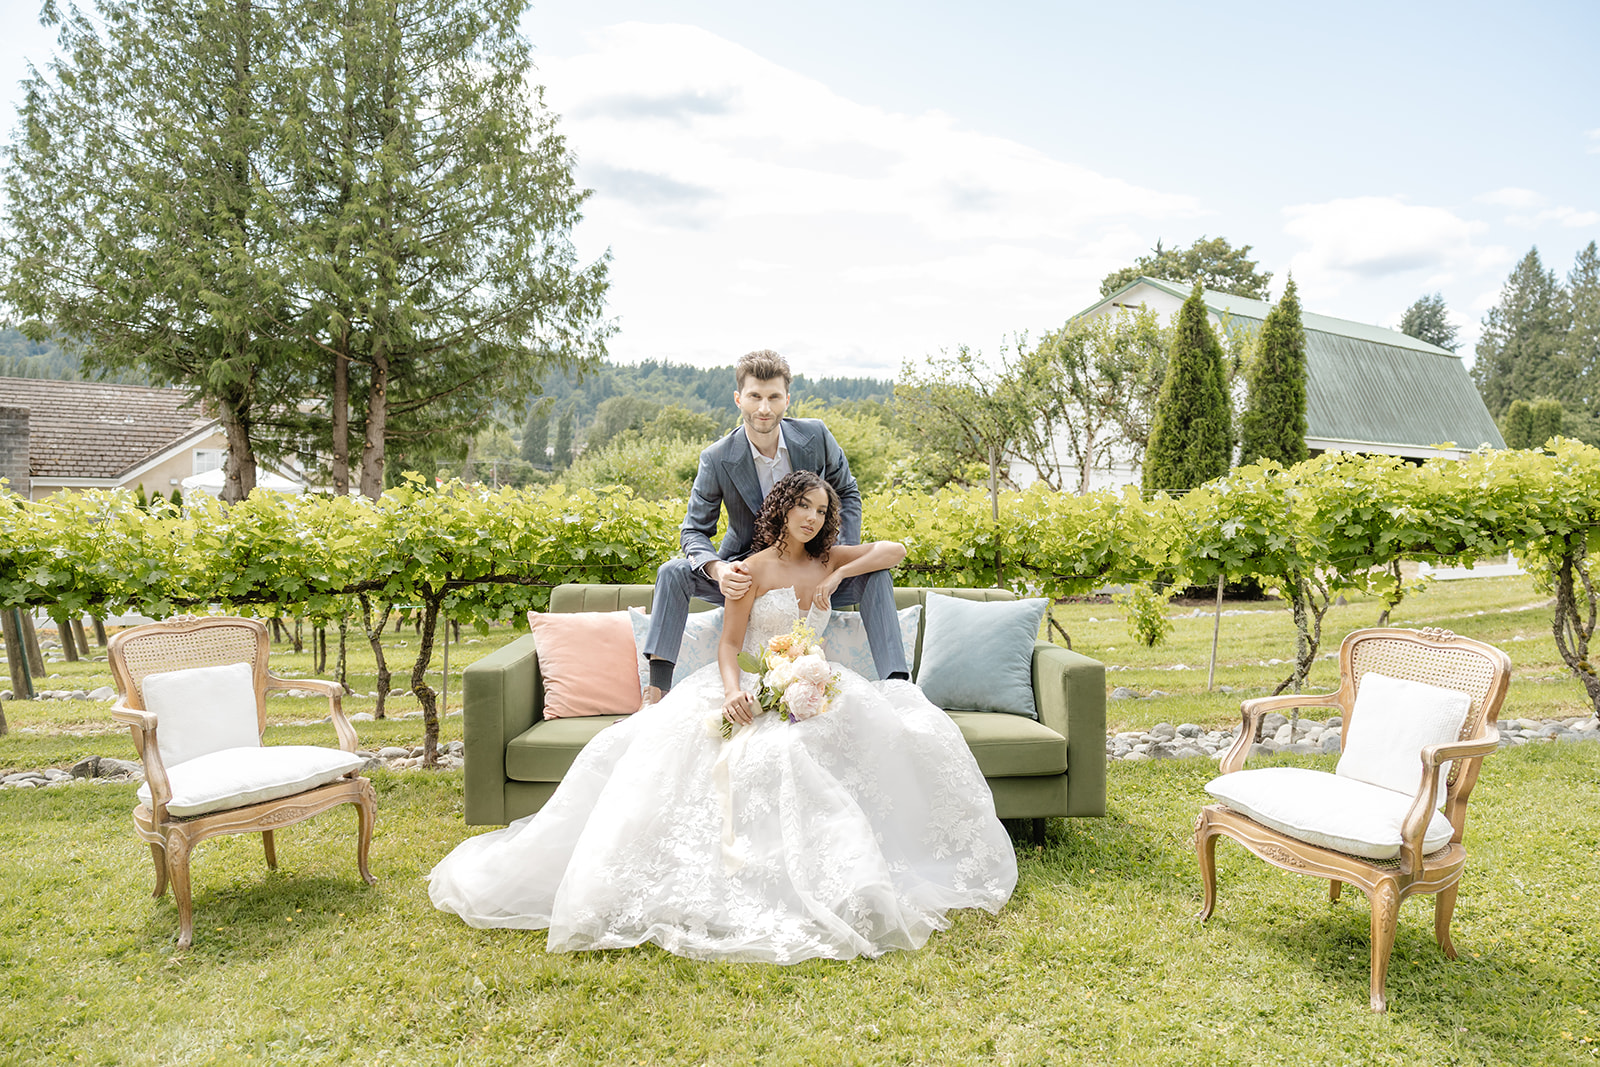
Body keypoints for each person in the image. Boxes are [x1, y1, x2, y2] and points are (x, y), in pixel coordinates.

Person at [427, 471, 1017, 963]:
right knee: (756, 752)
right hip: (761, 684)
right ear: (782, 509)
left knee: (883, 733)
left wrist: (839, 573)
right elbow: (730, 648)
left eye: (822, 510)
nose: (812, 519)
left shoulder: (828, 557)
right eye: (803, 507)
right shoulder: (749, 570)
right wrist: (736, 693)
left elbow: (896, 551)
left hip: (818, 686)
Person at [640, 349, 908, 707]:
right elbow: (692, 531)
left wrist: (834, 562)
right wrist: (719, 570)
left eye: (773, 397)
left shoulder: (816, 436)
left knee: (876, 573)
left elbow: (847, 491)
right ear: (739, 398)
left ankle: (898, 685)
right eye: (754, 396)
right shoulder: (717, 457)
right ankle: (656, 693)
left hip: (810, 569)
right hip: (745, 575)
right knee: (672, 571)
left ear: (787, 399)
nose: (764, 408)